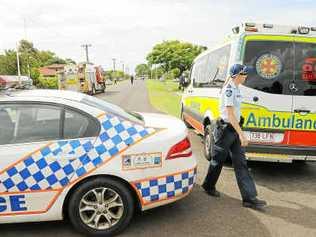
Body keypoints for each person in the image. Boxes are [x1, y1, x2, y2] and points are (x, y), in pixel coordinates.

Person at [202, 64, 267, 210]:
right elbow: (230, 115)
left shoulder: (236, 87)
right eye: (244, 74)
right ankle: (208, 185)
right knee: (217, 160)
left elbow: (235, 113)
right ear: (236, 75)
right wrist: (242, 135)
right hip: (226, 130)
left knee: (241, 162)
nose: (246, 76)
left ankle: (249, 198)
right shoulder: (229, 90)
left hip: (234, 129)